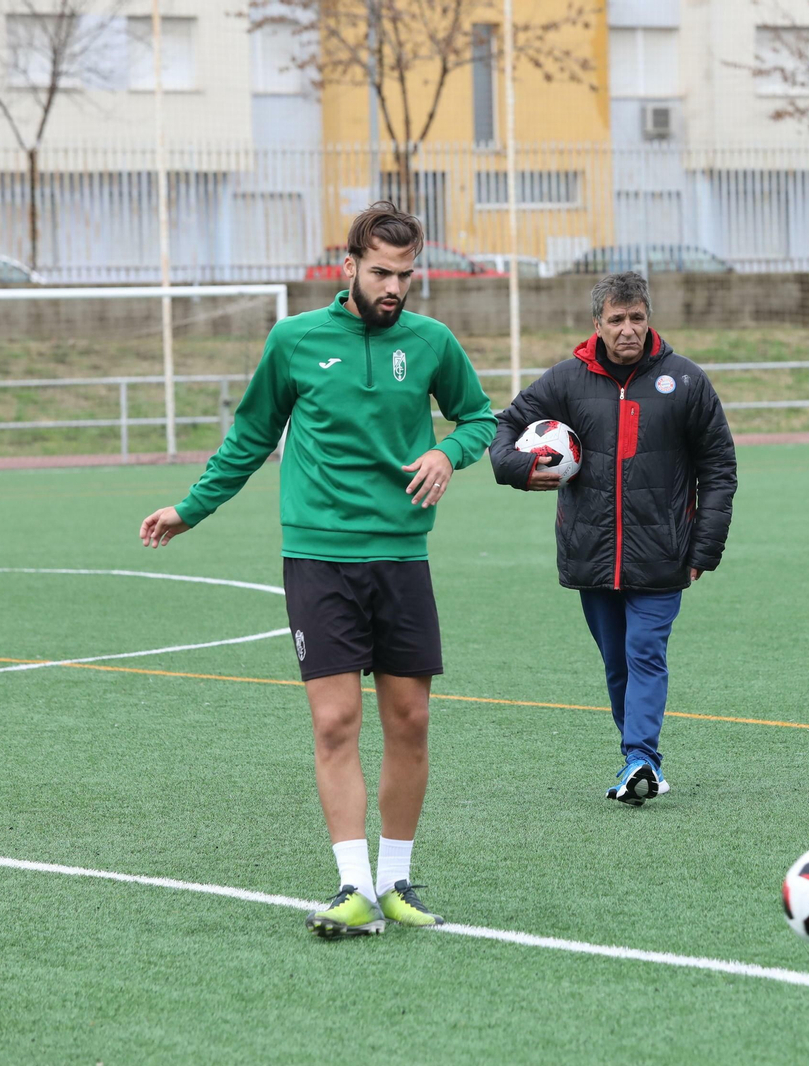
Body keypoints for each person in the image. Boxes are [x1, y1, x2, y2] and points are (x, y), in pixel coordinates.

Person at [136, 202, 497, 934]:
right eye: (381, 272)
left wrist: (446, 452)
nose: (394, 286)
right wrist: (190, 508)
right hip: (319, 558)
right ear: (349, 268)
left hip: (400, 557)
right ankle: (353, 887)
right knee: (335, 723)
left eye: (405, 274)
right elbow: (249, 437)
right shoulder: (296, 340)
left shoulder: (431, 342)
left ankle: (396, 881)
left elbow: (482, 419)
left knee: (411, 721)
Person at [490, 271, 737, 805]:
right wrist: (518, 468)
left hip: (663, 553)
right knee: (618, 661)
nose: (628, 329)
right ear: (597, 324)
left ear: (649, 320)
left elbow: (719, 467)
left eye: (637, 318)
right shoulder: (564, 381)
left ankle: (643, 756)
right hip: (592, 555)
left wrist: (705, 547)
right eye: (617, 320)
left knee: (646, 650)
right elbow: (504, 428)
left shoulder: (686, 381)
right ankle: (637, 758)